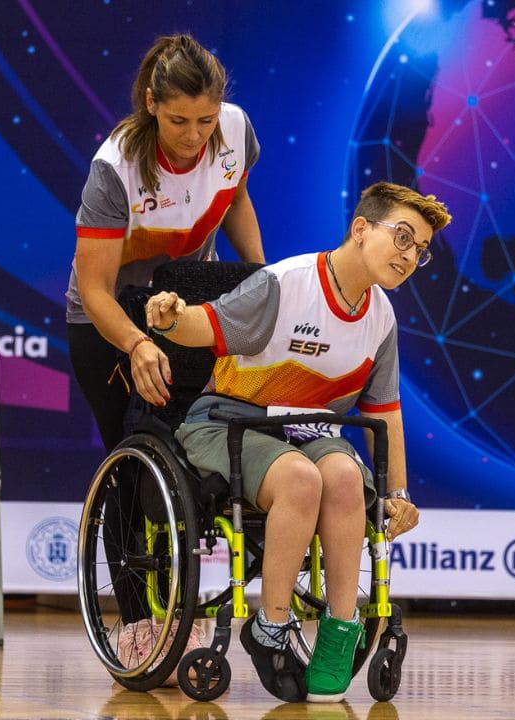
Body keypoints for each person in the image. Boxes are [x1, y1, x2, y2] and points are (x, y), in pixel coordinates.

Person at [143, 181, 450, 702]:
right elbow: (208, 325)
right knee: (302, 479)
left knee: (349, 476)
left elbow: (384, 412)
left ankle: (339, 628)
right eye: (402, 236)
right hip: (228, 421)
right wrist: (173, 317)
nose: (409, 255)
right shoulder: (287, 283)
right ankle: (270, 624)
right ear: (360, 229)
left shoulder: (382, 318)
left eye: (419, 249)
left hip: (309, 429)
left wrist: (398, 493)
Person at [64, 33, 264, 685]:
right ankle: (137, 625)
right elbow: (93, 287)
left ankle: (183, 607)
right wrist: (136, 342)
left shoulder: (233, 132)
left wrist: (258, 283)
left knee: (188, 457)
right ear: (152, 104)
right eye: (179, 121)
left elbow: (232, 194)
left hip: (183, 311)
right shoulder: (115, 166)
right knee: (131, 464)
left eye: (205, 120)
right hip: (109, 322)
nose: (193, 136)